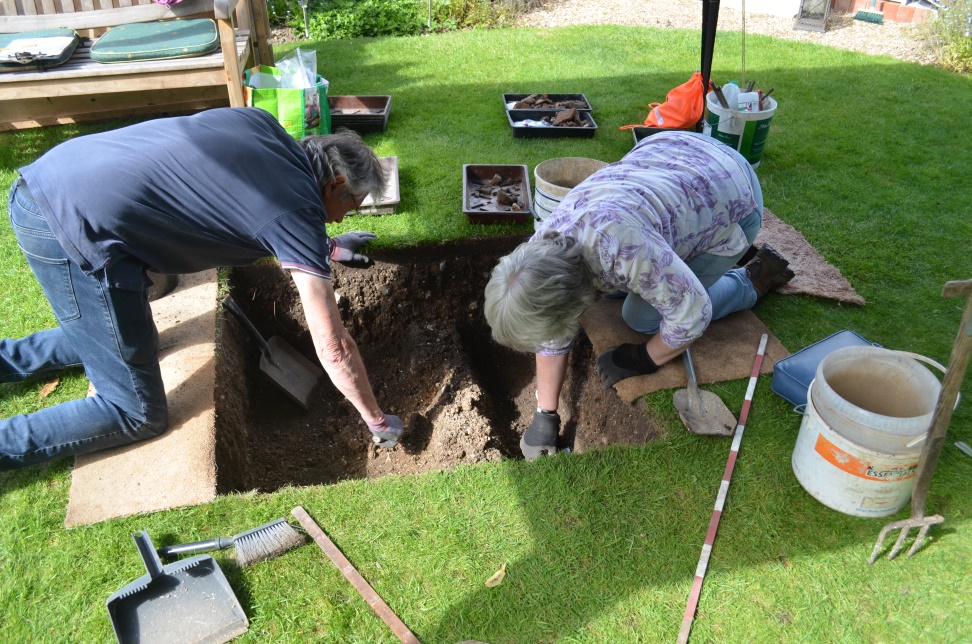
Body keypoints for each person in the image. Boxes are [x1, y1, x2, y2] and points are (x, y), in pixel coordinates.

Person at [1, 107, 402, 471]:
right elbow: (334, 347)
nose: (339, 219)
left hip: (59, 177)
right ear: (334, 184)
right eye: (351, 205)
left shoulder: (262, 126)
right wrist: (377, 422)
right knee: (135, 411)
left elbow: (253, 203)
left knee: (133, 339)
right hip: (69, 226)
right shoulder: (294, 212)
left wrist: (327, 247)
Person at [484, 131, 794, 460]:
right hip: (679, 151)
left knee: (640, 317)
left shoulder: (625, 250)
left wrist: (644, 357)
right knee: (631, 290)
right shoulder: (541, 249)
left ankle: (751, 280)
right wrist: (545, 414)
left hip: (736, 197)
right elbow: (551, 326)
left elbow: (693, 314)